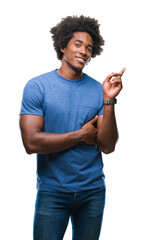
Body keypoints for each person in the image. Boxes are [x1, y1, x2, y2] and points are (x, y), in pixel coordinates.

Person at [19, 15, 126, 240]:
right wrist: (81, 135)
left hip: (92, 191)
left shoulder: (98, 89)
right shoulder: (38, 87)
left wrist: (108, 100)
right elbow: (31, 143)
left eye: (88, 47)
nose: (83, 52)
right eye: (77, 44)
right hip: (53, 192)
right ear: (62, 46)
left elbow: (107, 146)